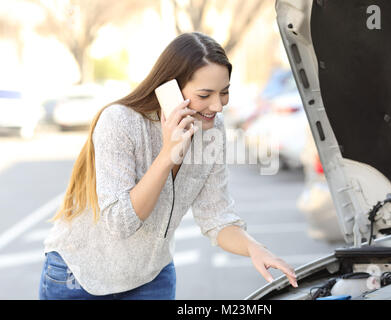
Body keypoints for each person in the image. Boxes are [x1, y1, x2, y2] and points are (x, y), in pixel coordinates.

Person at [39, 32, 298, 300]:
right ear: (169, 90)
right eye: (205, 94)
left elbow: (216, 216)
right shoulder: (120, 122)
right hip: (81, 278)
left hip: (151, 276)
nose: (217, 106)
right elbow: (120, 223)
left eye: (224, 92)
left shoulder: (212, 132)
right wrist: (167, 155)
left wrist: (255, 249)